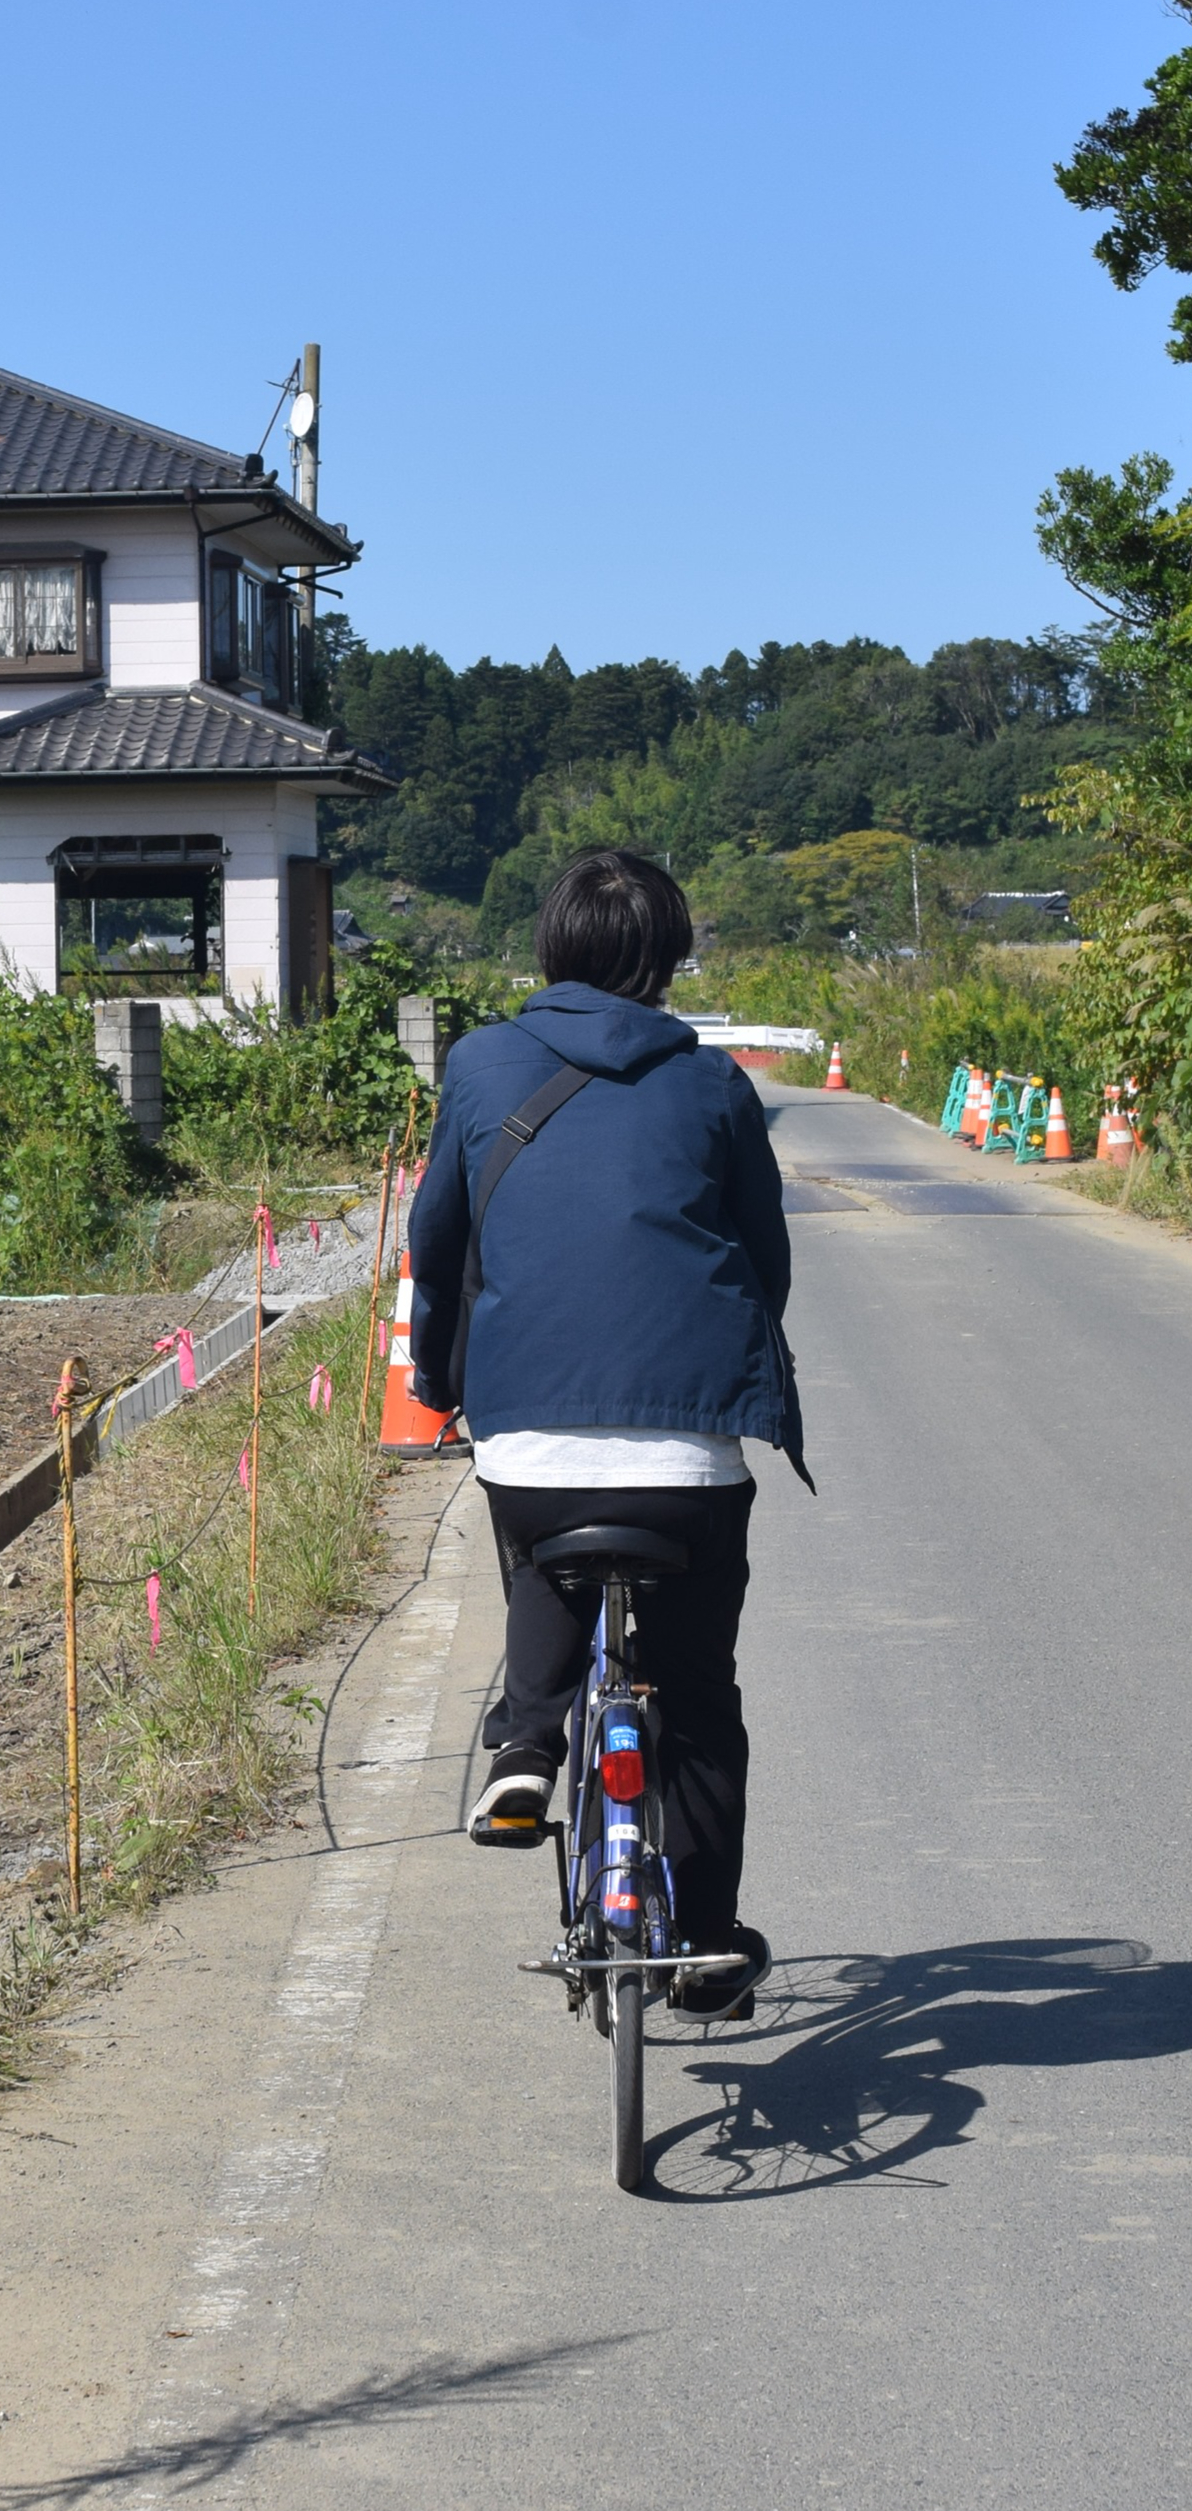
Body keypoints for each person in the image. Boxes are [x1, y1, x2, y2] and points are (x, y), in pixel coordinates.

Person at [406, 849, 810, 2021]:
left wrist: (441, 1379)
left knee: (543, 1547)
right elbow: (762, 1264)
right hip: (690, 1449)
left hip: (527, 1435)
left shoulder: (481, 1064)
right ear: (670, 956)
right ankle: (705, 1951)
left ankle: (525, 1748)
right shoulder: (716, 1084)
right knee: (695, 1693)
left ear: (551, 948)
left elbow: (438, 1247)